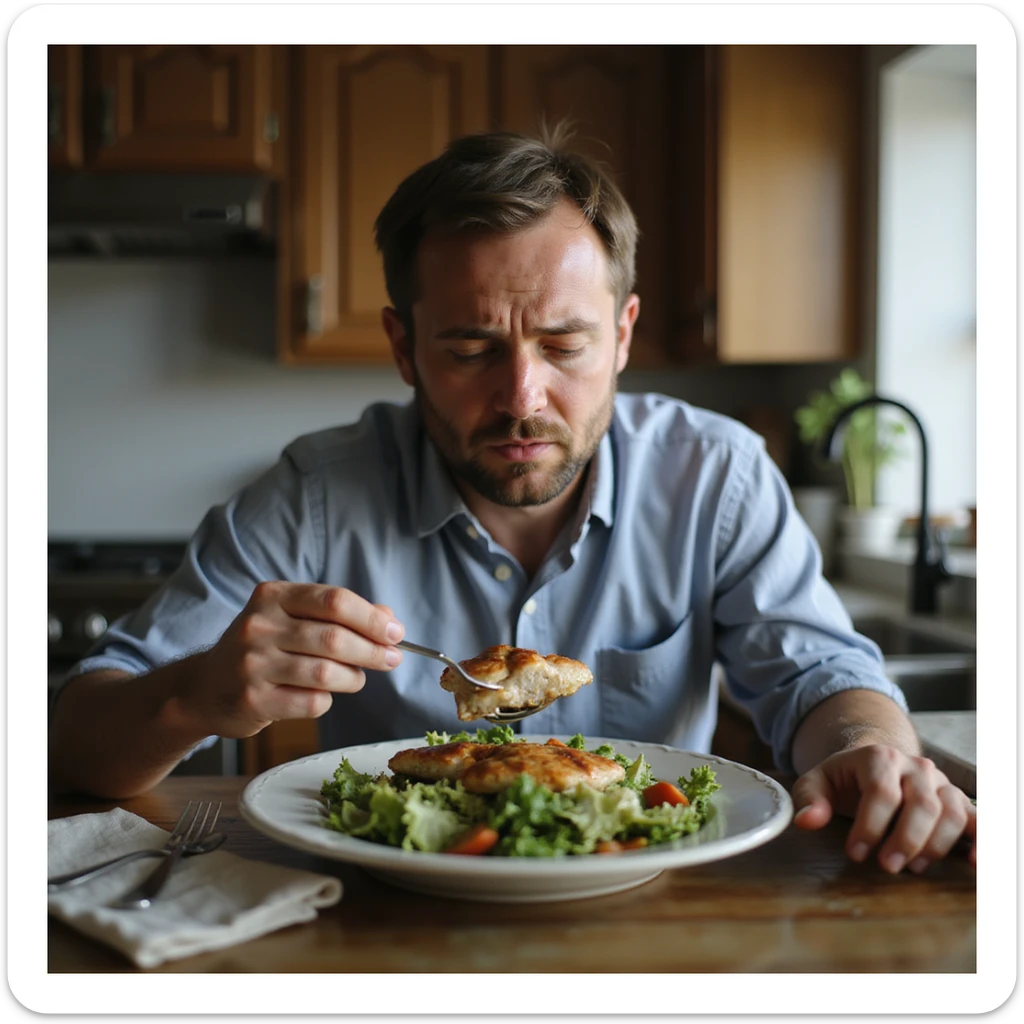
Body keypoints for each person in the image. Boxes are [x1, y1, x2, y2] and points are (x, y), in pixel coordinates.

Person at [49, 124, 975, 875]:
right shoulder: (313, 495)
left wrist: (871, 748)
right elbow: (70, 739)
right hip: (384, 927)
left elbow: (822, 678)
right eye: (469, 349)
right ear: (405, 349)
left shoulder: (718, 475)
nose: (523, 398)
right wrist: (191, 697)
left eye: (565, 346)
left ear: (621, 335)